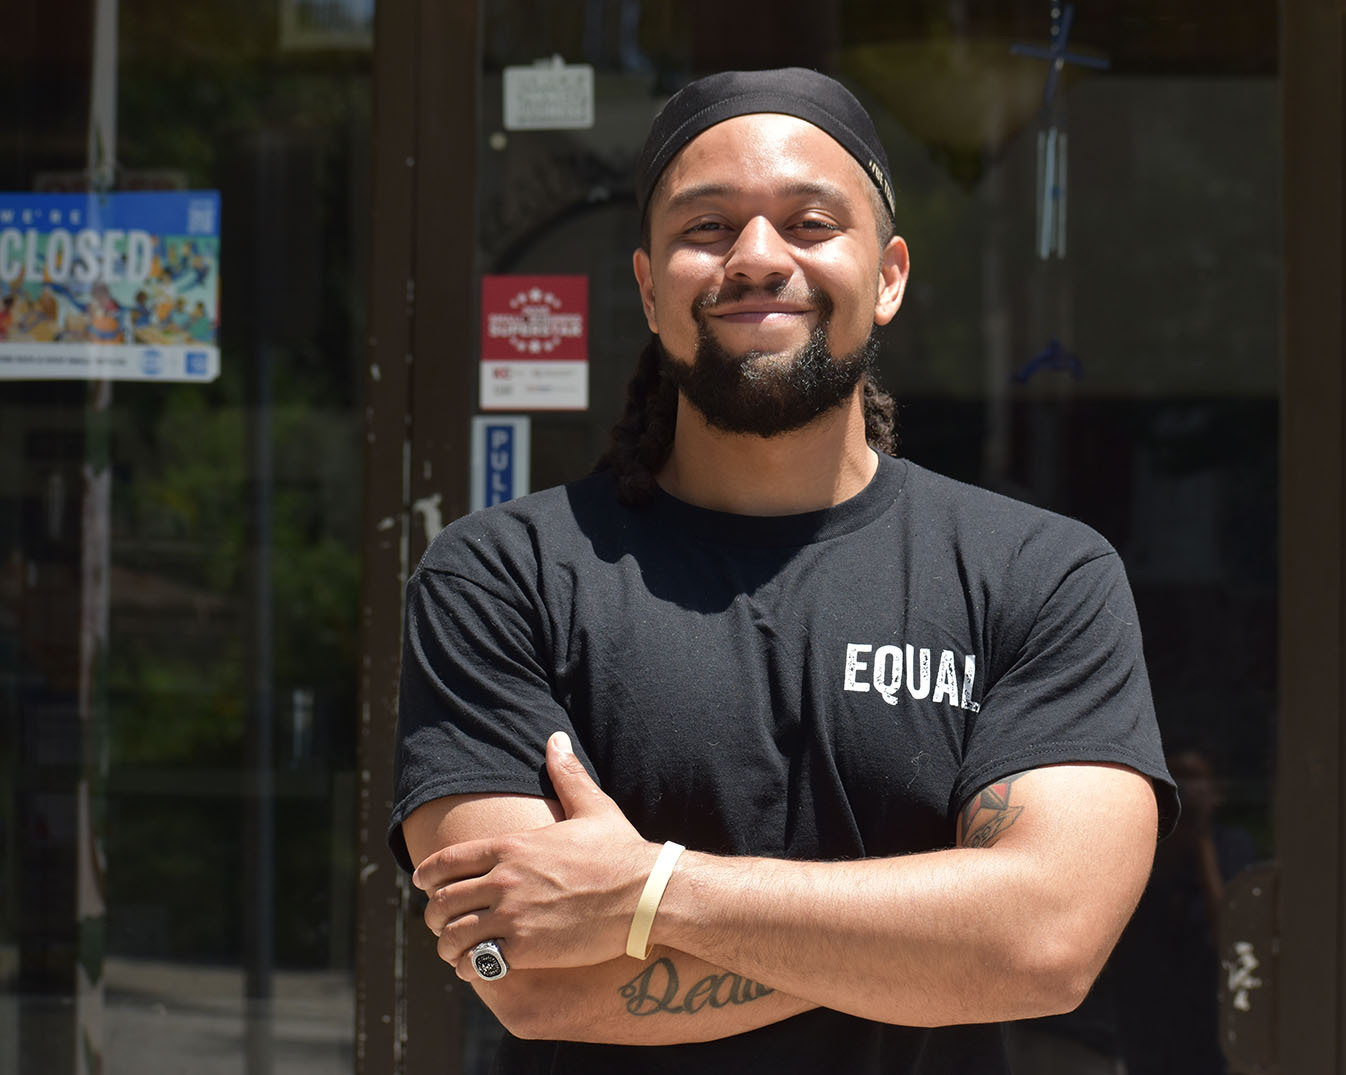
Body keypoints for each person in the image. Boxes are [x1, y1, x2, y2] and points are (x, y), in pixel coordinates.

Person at [389, 66, 1177, 1075]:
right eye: (706, 228)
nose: (758, 258)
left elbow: (1044, 944)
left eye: (809, 223)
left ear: (887, 275)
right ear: (646, 285)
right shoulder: (502, 578)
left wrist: (649, 892)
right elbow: (534, 977)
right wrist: (942, 939)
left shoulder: (1036, 574)